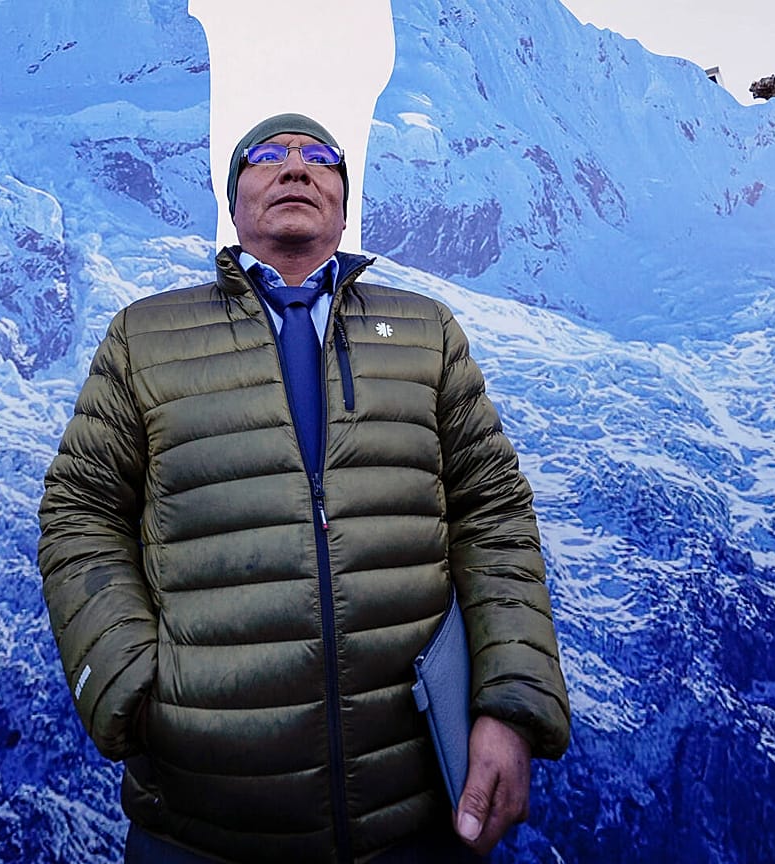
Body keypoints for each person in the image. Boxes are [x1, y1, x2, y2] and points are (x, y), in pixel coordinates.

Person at [37, 113, 570, 863]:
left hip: (412, 815)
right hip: (199, 825)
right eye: (267, 156)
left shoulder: (427, 332)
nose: (295, 167)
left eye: (320, 156)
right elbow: (79, 514)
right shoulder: (144, 337)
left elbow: (494, 514)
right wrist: (133, 685)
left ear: (345, 205)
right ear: (233, 199)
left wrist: (509, 707)